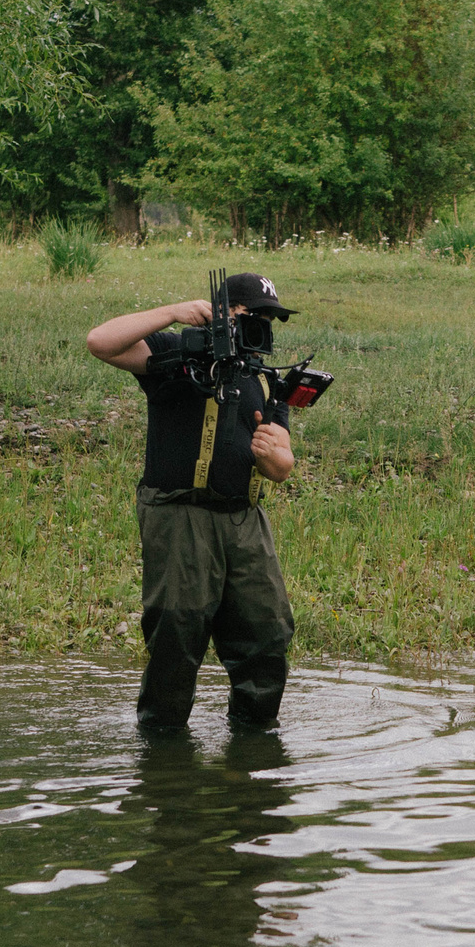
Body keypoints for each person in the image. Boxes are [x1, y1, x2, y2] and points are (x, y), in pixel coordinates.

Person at [85, 273, 299, 731]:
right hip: (179, 513)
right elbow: (100, 341)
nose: (262, 328)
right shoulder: (176, 356)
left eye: (270, 320)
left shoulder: (266, 380)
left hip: (245, 520)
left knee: (268, 632)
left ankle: (255, 739)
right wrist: (173, 312)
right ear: (222, 314)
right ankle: (162, 748)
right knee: (177, 633)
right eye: (251, 317)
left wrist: (275, 457)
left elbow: (283, 465)